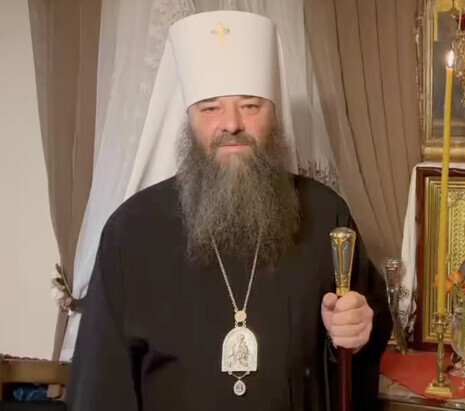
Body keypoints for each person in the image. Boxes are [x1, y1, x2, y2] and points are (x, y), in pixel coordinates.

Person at [67, 11, 391, 411]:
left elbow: (368, 325)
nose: (232, 124)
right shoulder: (131, 231)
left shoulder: (326, 215)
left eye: (251, 106)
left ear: (274, 116)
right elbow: (100, 385)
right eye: (210, 109)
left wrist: (355, 332)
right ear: (188, 120)